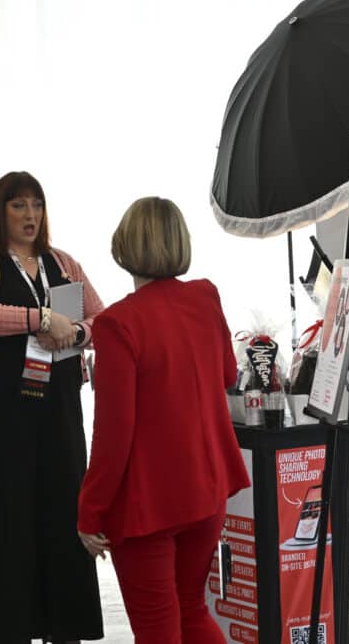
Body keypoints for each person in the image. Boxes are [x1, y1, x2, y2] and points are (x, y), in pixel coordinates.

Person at [77, 197, 251, 643]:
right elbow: (228, 375)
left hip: (147, 501)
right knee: (191, 610)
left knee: (158, 626)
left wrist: (89, 512)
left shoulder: (119, 324)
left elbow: (113, 433)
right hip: (205, 488)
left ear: (124, 247)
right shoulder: (205, 297)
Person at [0, 171, 105, 643]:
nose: (30, 215)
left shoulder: (63, 263)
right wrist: (38, 319)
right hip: (6, 414)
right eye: (18, 205)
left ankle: (67, 629)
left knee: (65, 515)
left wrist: (76, 332)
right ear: (1, 212)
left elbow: (101, 316)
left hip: (60, 410)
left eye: (36, 204)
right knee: (10, 519)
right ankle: (10, 627)